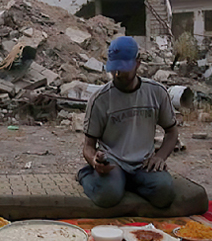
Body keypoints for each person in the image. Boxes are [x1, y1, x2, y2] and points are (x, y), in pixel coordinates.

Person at [76, 36, 179, 208]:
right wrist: (94, 160)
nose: (117, 74)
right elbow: (88, 146)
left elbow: (172, 131)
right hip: (113, 162)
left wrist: (160, 156)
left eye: (123, 69)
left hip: (143, 163)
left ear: (137, 63)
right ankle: (86, 174)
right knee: (108, 196)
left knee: (165, 192)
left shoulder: (156, 92)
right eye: (114, 69)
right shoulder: (100, 100)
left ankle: (126, 182)